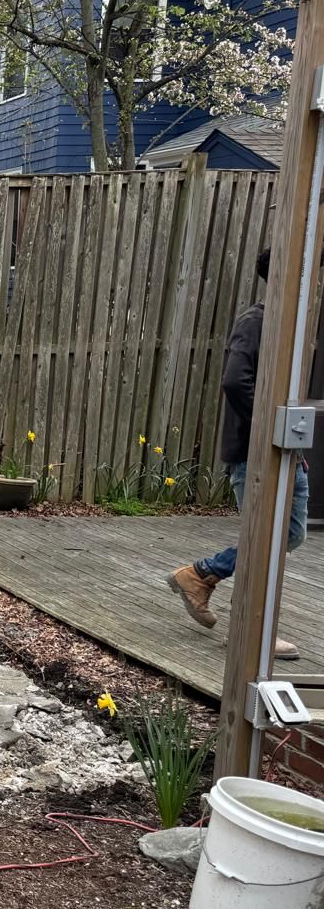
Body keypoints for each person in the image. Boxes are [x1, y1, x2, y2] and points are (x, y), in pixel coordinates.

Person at [166, 249, 309, 659]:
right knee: (266, 540)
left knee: (288, 535)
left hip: (287, 450)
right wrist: (267, 429)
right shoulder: (257, 322)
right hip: (257, 452)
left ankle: (199, 575)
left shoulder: (287, 327)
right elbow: (233, 381)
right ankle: (253, 634)